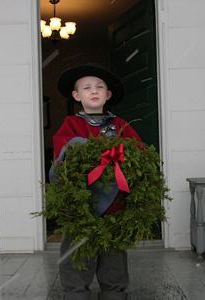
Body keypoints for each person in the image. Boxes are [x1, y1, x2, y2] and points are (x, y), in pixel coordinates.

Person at [52, 64, 141, 300]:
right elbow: (63, 154)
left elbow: (138, 151)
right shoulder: (71, 124)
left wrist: (122, 152)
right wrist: (83, 147)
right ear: (76, 95)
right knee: (77, 254)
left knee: (113, 256)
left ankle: (114, 293)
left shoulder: (120, 125)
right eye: (87, 87)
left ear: (108, 95)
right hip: (82, 205)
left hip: (114, 205)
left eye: (100, 87)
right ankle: (75, 293)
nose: (94, 91)